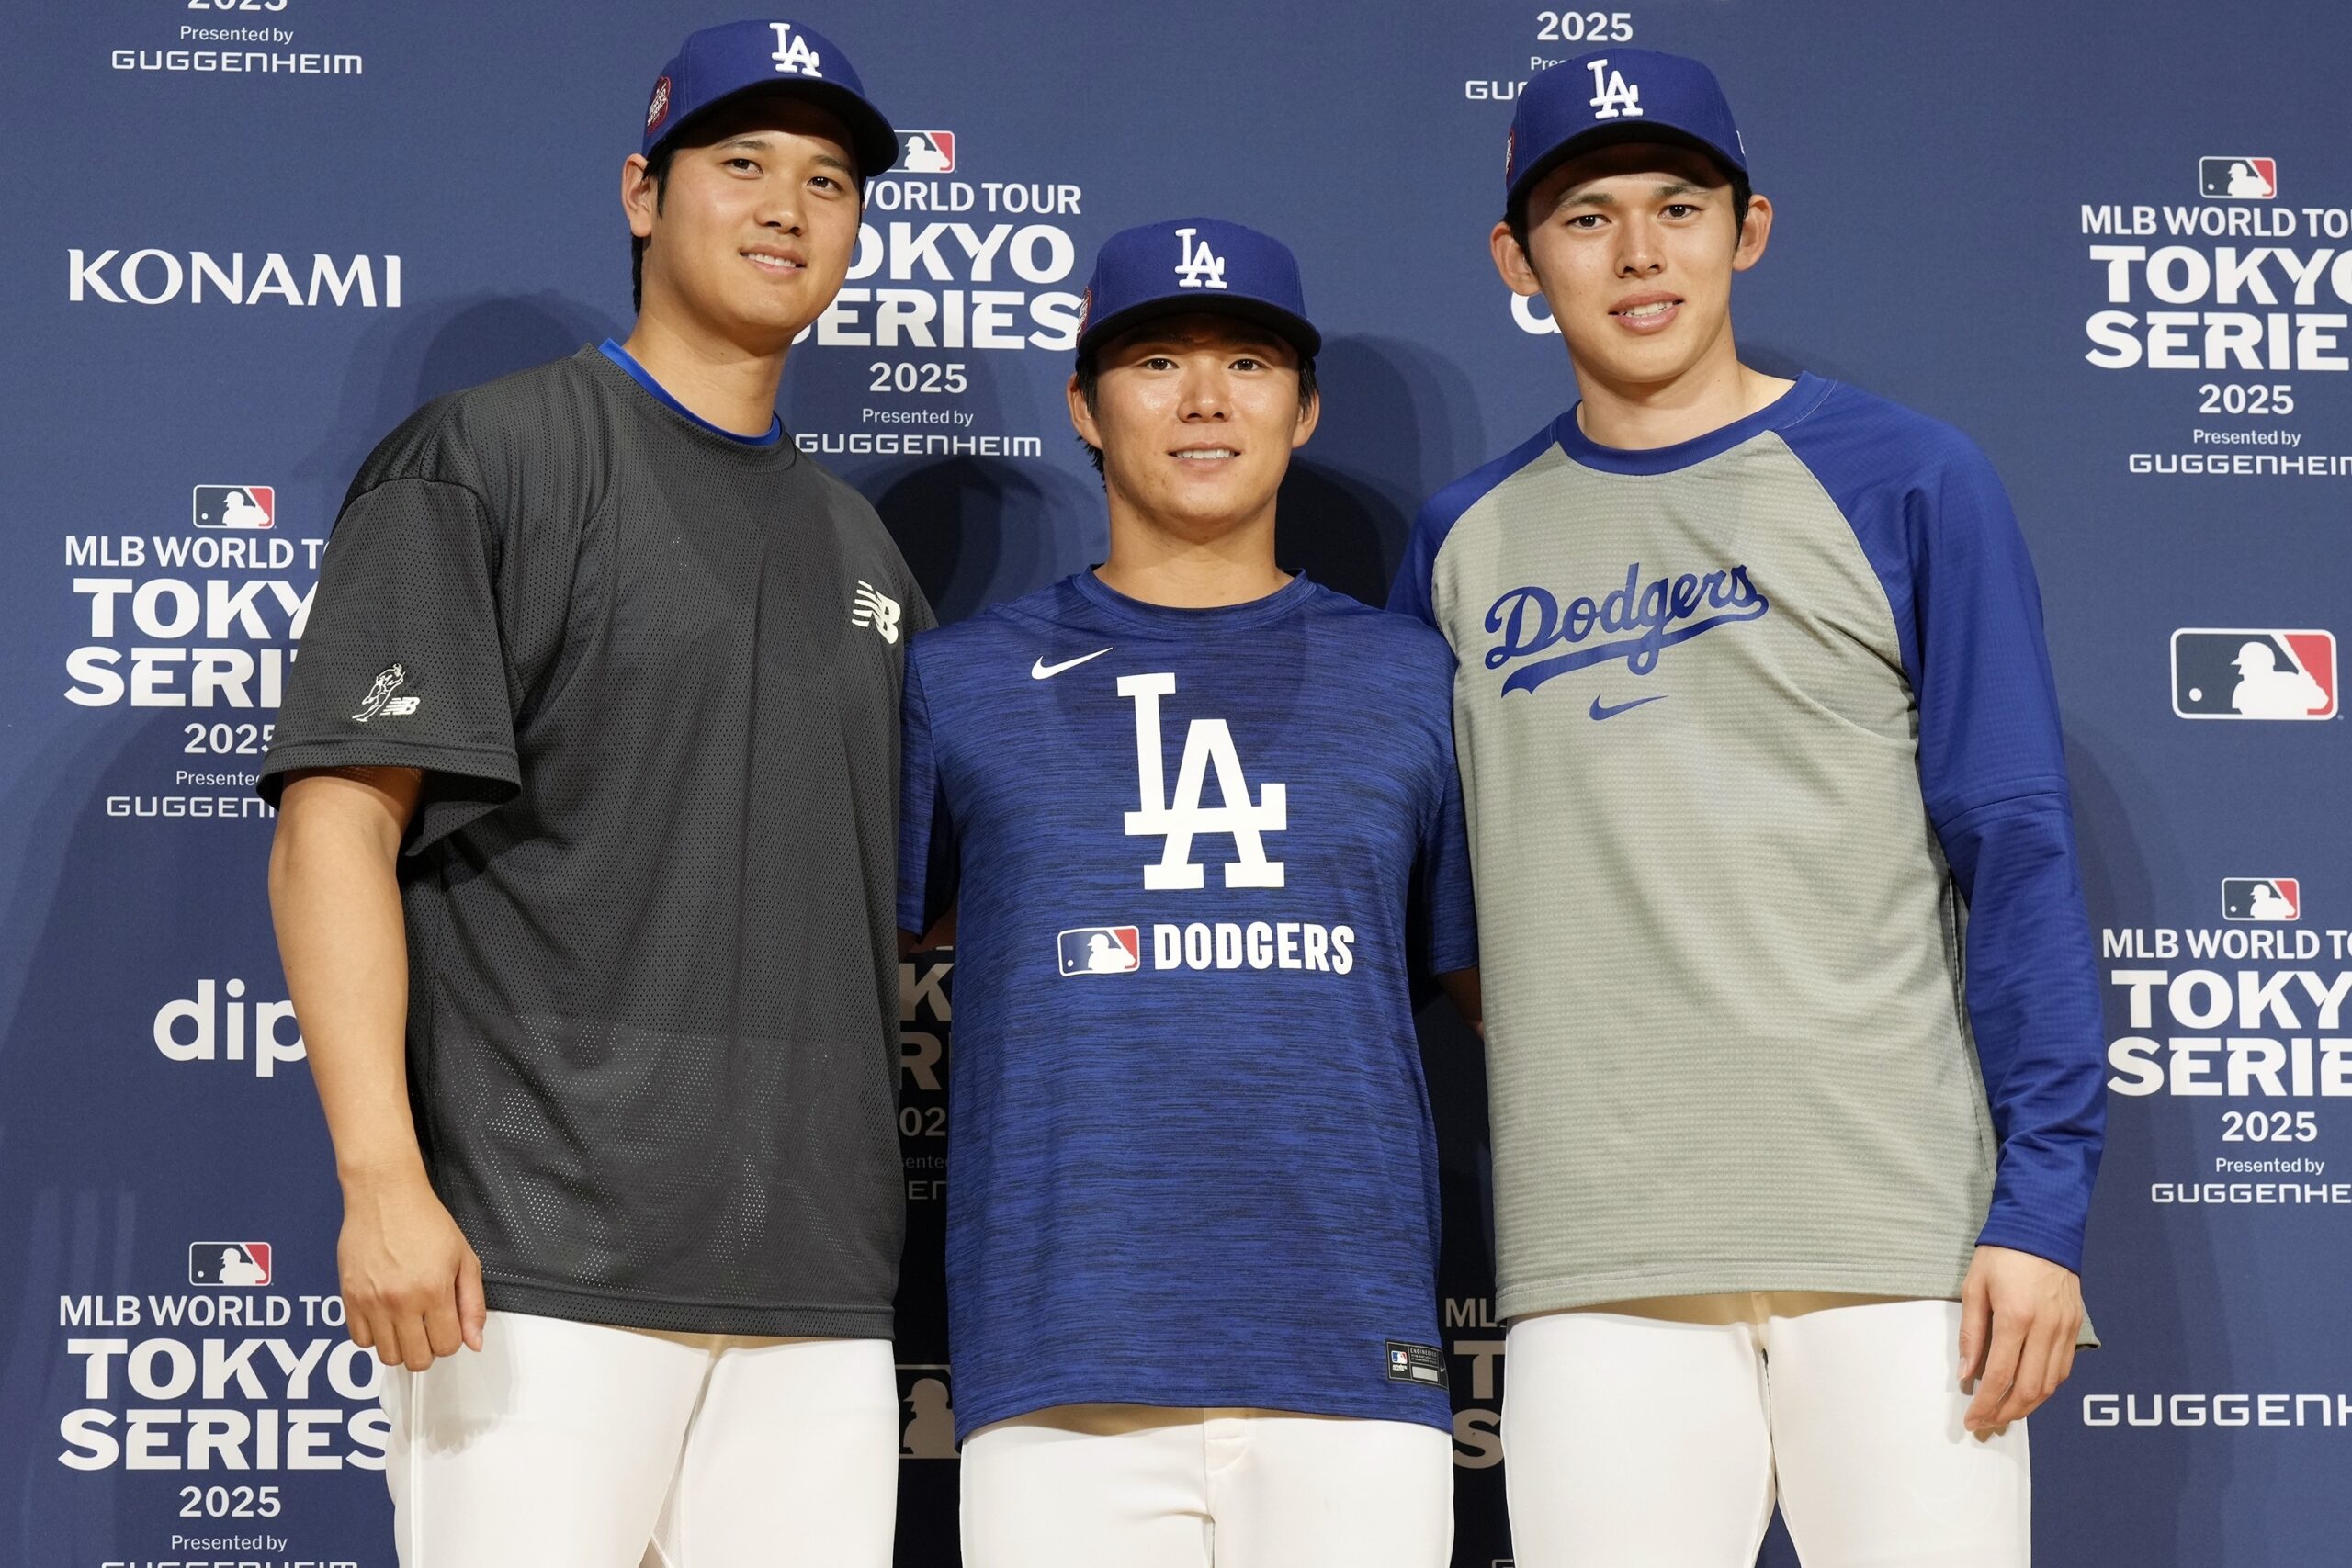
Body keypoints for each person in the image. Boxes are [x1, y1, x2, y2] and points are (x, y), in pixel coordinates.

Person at [1390, 48, 2106, 1567]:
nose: (1640, 254)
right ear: (1519, 259)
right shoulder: (1464, 541)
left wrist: (2039, 1209)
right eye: (1587, 217)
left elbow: (2017, 847)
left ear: (1749, 227)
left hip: (1898, 1242)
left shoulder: (1910, 480)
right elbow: (1448, 921)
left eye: (1679, 206)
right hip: (1599, 1262)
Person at [258, 19, 922, 1567]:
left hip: (817, 1293)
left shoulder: (864, 554)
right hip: (531, 1265)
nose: (786, 207)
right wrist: (382, 1185)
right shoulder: (487, 460)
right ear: (643, 192)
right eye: (741, 163)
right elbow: (336, 825)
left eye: (828, 181)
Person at [899, 218, 1478, 1568]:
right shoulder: (960, 680)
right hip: (1060, 1370)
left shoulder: (1415, 682)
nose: (1206, 399)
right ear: (1084, 408)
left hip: (1349, 1358)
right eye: (1157, 360)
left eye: (1248, 362)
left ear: (1305, 404)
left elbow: (1487, 984)